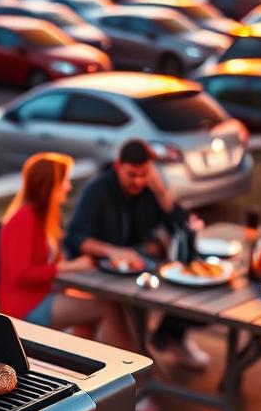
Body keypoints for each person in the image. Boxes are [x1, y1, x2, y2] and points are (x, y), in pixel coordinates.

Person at [64, 139, 209, 372]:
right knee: (131, 317)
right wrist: (112, 250)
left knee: (199, 297)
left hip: (145, 268)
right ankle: (139, 375)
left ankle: (170, 336)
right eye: (132, 175)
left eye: (144, 174)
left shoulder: (149, 188)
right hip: (104, 274)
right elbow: (75, 238)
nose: (138, 181)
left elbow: (179, 222)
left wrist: (160, 189)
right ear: (118, 166)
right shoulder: (97, 191)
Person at [0, 152, 135, 353]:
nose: (68, 186)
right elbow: (20, 274)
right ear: (49, 184)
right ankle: (137, 376)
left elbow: (47, 261)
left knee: (94, 308)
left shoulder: (45, 216)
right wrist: (68, 267)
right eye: (65, 181)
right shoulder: (24, 219)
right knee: (106, 307)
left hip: (44, 294)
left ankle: (77, 368)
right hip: (24, 305)